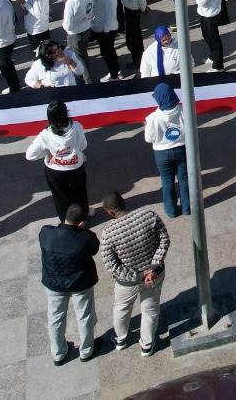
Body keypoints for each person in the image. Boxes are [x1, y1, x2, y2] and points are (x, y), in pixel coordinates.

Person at [101, 191, 169, 356]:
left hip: (127, 282)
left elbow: (111, 265)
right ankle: (147, 345)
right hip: (155, 275)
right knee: (150, 309)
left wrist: (137, 276)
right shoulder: (148, 215)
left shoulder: (108, 233)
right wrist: (152, 268)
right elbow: (164, 240)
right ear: (123, 202)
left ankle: (120, 340)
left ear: (110, 212)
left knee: (122, 309)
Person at [41, 203, 102, 366]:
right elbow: (94, 249)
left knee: (55, 317)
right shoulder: (86, 238)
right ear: (82, 223)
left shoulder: (46, 233)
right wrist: (83, 231)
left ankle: (58, 353)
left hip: (54, 284)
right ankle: (86, 351)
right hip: (80, 284)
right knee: (84, 317)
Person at [27, 100, 90, 222]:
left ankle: (66, 222)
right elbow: (83, 145)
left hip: (55, 172)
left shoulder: (45, 135)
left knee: (61, 198)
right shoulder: (76, 126)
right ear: (66, 112)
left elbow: (30, 155)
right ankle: (83, 217)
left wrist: (48, 153)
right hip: (76, 168)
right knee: (80, 194)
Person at [144, 82, 191, 217]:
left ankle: (171, 211)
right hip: (182, 149)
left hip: (162, 153)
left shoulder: (152, 118)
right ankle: (187, 208)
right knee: (184, 180)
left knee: (167, 182)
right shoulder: (185, 110)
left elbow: (149, 138)